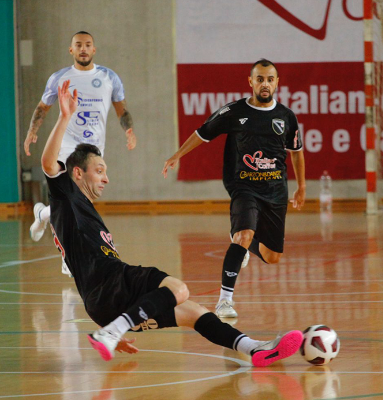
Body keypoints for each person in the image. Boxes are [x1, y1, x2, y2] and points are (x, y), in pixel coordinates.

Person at [42, 79, 303, 366]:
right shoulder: (67, 195)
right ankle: (112, 332)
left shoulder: (80, 212)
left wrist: (111, 320)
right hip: (112, 281)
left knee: (193, 312)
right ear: (77, 173)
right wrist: (65, 117)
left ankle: (254, 349)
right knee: (179, 290)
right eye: (99, 170)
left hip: (102, 304)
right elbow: (48, 164)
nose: (106, 178)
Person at [163, 59, 306, 319]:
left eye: (270, 79)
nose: (265, 84)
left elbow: (296, 151)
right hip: (244, 186)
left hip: (276, 190)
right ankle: (225, 301)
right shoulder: (233, 111)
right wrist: (177, 155)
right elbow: (203, 132)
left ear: (277, 82)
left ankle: (245, 245)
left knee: (272, 256)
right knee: (243, 235)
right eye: (260, 79)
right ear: (250, 82)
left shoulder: (287, 117)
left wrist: (302, 186)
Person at [26, 31, 136, 276]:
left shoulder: (109, 77)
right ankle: (68, 256)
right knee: (72, 195)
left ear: (94, 49)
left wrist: (129, 130)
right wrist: (32, 131)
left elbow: (121, 109)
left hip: (94, 149)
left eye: (87, 45)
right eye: (78, 45)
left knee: (78, 199)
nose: (83, 49)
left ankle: (43, 213)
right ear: (71, 50)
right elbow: (43, 107)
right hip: (66, 146)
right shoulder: (59, 78)